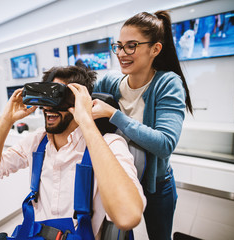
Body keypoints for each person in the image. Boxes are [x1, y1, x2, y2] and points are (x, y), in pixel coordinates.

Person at [0, 65, 146, 239]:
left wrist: (86, 121)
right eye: (46, 98)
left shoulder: (109, 144)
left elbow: (128, 216)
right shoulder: (37, 141)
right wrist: (6, 118)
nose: (49, 108)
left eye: (59, 97)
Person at [93, 11, 193, 240]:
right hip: (118, 180)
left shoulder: (168, 83)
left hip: (156, 186)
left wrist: (114, 115)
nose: (121, 53)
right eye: (118, 46)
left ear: (155, 49)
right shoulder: (109, 82)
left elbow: (165, 143)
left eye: (131, 46)